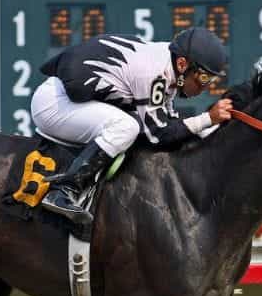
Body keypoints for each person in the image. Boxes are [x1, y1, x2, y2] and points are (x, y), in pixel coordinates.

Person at [31, 27, 233, 225]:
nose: (205, 86)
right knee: (126, 127)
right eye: (204, 78)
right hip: (56, 103)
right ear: (182, 64)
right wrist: (208, 119)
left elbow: (170, 123)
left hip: (71, 100)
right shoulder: (154, 73)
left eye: (212, 79)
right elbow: (158, 134)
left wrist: (211, 128)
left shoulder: (168, 65)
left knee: (131, 126)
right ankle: (64, 190)